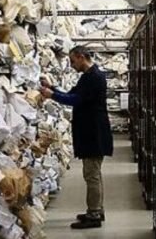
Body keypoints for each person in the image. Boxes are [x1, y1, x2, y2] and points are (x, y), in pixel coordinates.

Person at [40, 46, 113, 229]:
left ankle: (94, 215)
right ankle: (96, 210)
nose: (72, 66)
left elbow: (75, 100)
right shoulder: (88, 76)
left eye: (73, 61)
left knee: (91, 174)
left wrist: (52, 95)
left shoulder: (94, 77)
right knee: (94, 174)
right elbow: (72, 94)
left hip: (94, 133)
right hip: (91, 132)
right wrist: (52, 88)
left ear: (81, 57)